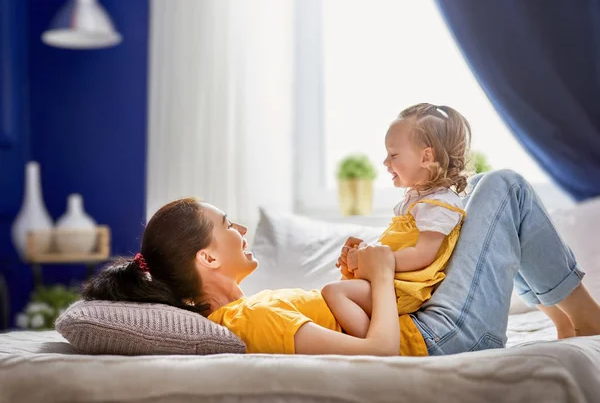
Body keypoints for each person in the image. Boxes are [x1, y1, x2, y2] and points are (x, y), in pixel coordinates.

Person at [82, 165, 600, 356]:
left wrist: (365, 280)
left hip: (429, 324)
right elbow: (381, 355)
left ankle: (566, 319)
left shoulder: (247, 311)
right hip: (438, 338)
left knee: (490, 188)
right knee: (503, 186)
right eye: (228, 225)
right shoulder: (251, 319)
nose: (240, 231)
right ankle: (582, 316)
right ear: (208, 256)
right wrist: (377, 276)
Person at [322, 103, 470, 339]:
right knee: (333, 293)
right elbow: (400, 244)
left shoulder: (438, 205)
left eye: (393, 155)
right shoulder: (418, 200)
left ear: (426, 157)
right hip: (390, 283)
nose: (385, 162)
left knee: (335, 292)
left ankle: (377, 345)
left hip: (405, 289)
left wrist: (371, 260)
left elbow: (422, 255)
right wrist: (361, 256)